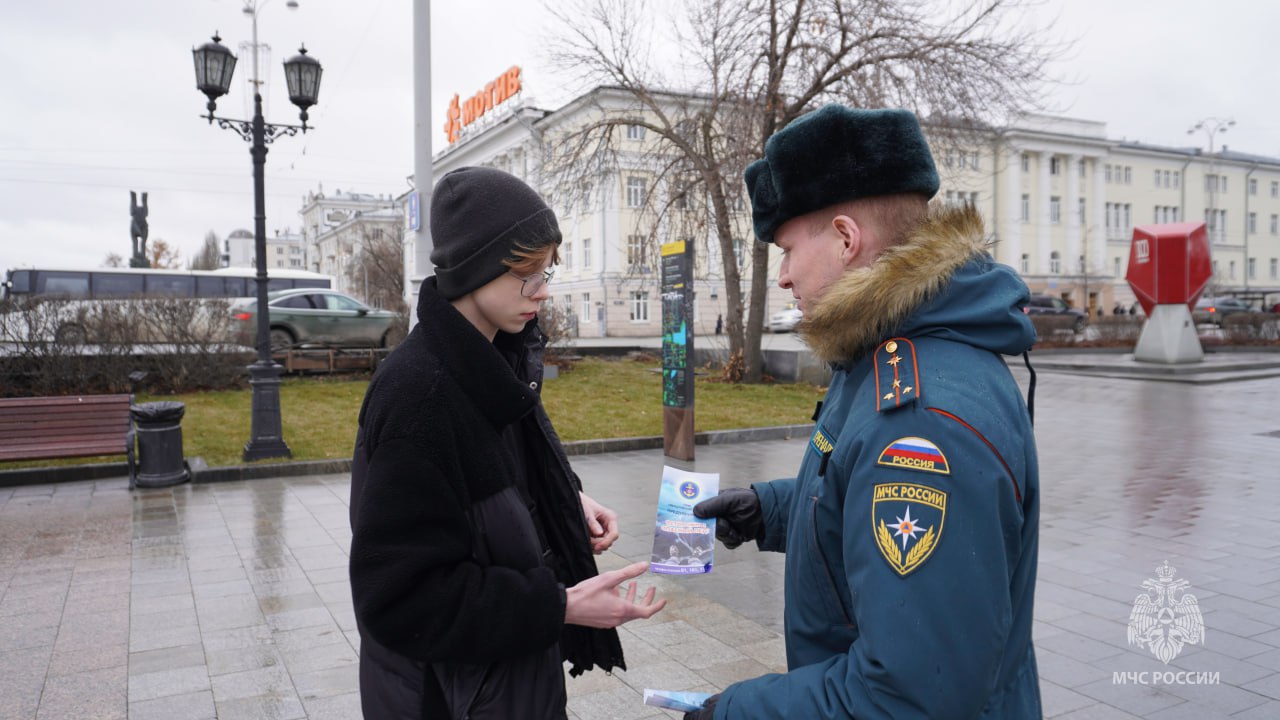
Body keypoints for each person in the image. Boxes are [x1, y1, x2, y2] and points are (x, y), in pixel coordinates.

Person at [688, 105, 1041, 719]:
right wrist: (773, 508)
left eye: (789, 250)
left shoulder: (919, 420)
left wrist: (735, 712)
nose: (786, 278)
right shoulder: (890, 351)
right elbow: (856, 478)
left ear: (847, 239)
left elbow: (908, 697)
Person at [349, 166, 666, 719]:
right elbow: (400, 600)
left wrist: (565, 501)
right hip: (445, 697)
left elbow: (497, 479)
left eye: (547, 271)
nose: (544, 291)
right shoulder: (418, 395)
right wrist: (560, 606)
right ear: (476, 270)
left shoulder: (494, 359)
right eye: (529, 275)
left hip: (502, 684)